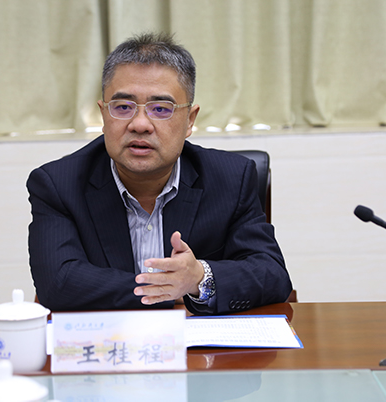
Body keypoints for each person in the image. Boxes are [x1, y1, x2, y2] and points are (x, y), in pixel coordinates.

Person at [27, 32, 292, 315]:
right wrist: (170, 290)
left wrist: (199, 277)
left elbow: (271, 275)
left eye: (161, 109)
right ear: (104, 115)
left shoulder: (231, 178)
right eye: (123, 107)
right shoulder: (58, 185)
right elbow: (58, 283)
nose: (140, 124)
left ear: (190, 120)